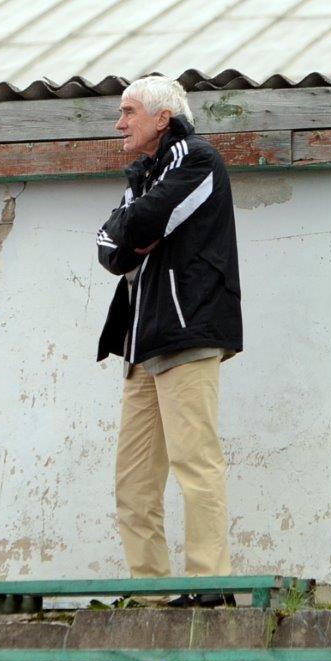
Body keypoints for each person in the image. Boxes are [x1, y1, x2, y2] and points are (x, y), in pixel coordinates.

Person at [95, 76, 243, 607]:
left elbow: (141, 223)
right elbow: (109, 246)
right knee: (134, 484)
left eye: (129, 112)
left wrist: (136, 231)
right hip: (141, 345)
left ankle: (210, 586)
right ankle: (150, 595)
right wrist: (134, 233)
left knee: (195, 464)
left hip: (186, 332)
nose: (119, 124)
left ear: (162, 118)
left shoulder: (197, 158)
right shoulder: (143, 174)